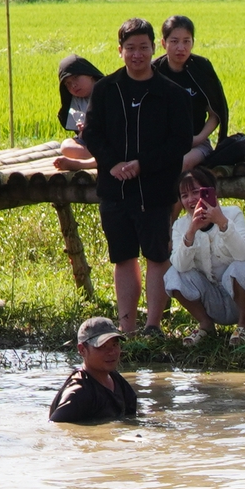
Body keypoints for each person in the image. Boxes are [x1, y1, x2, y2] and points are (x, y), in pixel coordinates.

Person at [83, 17, 205, 336]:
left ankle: (152, 325)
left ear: (154, 49)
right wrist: (111, 164)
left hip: (155, 187)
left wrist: (141, 164)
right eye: (130, 48)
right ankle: (128, 328)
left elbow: (179, 141)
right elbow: (92, 134)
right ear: (120, 50)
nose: (137, 54)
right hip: (114, 189)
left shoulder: (172, 93)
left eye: (143, 48)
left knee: (156, 254)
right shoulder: (105, 89)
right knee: (123, 257)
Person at [164, 169, 245, 342]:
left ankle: (244, 325)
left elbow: (244, 253)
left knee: (241, 267)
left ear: (211, 191)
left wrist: (221, 222)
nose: (190, 200)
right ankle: (206, 325)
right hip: (215, 302)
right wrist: (191, 231)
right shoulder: (180, 226)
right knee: (173, 274)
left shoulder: (232, 213)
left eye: (196, 192)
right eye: (184, 195)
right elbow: (181, 266)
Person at [156, 14, 233, 163]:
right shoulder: (154, 70)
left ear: (193, 42)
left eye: (186, 41)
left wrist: (198, 139)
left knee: (179, 164)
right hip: (160, 144)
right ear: (163, 43)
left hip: (196, 144)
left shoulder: (202, 68)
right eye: (174, 41)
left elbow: (215, 113)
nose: (181, 48)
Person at [49, 317, 139, 423]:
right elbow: (55, 428)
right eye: (102, 346)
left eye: (115, 344)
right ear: (82, 349)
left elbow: (131, 419)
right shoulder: (78, 393)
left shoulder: (119, 382)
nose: (111, 352)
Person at [55, 53, 102, 171]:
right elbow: (81, 136)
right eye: (68, 83)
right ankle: (97, 158)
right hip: (91, 144)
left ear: (90, 75)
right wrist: (84, 130)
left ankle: (85, 163)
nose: (73, 85)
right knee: (66, 146)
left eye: (76, 78)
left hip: (111, 140)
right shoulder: (75, 102)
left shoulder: (107, 91)